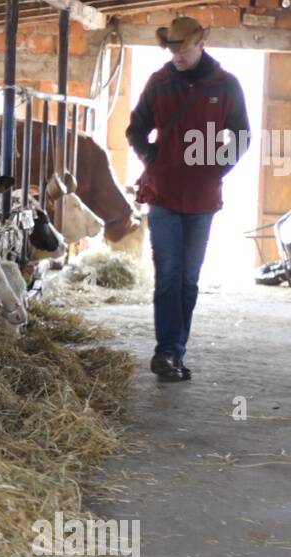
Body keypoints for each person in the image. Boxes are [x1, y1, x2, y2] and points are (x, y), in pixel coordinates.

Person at [126, 16, 250, 382]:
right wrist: (152, 160)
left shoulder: (226, 86)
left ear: (200, 44)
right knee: (168, 274)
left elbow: (242, 136)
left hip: (202, 197)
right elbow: (136, 129)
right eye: (172, 49)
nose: (176, 56)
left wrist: (217, 170)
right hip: (162, 194)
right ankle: (166, 351)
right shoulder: (160, 82)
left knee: (188, 280)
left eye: (182, 49)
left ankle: (175, 352)